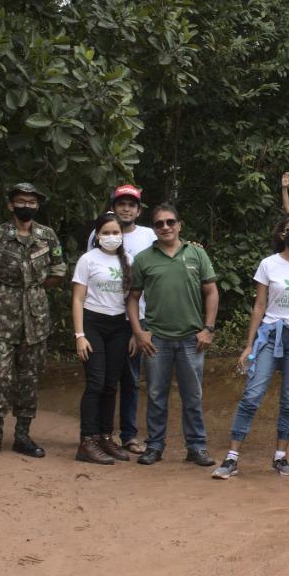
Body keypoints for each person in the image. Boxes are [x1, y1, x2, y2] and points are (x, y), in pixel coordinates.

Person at [212, 214, 289, 478]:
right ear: (280, 234)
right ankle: (231, 458)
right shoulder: (268, 264)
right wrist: (249, 345)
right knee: (252, 395)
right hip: (270, 336)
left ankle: (281, 456)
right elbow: (260, 306)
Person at [0, 182, 66, 458]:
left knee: (29, 377)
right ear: (11, 205)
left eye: (32, 202)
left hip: (35, 316)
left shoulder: (47, 236)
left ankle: (23, 435)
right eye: (21, 201)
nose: (27, 206)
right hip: (1, 315)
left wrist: (34, 289)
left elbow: (58, 271)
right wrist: (4, 291)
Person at [127, 203, 219, 467]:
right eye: (159, 224)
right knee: (156, 395)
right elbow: (132, 299)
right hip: (157, 340)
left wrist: (208, 329)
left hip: (192, 339)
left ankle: (196, 447)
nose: (165, 227)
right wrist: (138, 332)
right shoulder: (144, 259)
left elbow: (211, 292)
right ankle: (155, 446)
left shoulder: (197, 254)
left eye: (170, 222)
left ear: (179, 224)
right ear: (154, 228)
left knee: (193, 396)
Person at [87, 184, 157, 453]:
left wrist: (139, 328)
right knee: (102, 378)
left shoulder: (150, 236)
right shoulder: (99, 233)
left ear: (139, 210)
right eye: (121, 204)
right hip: (104, 317)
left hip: (137, 318)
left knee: (130, 378)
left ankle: (128, 434)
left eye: (131, 204)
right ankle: (98, 434)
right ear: (113, 208)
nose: (126, 208)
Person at [71, 213, 136, 464]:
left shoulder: (129, 260)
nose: (111, 237)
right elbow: (77, 299)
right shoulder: (88, 260)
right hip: (93, 324)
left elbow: (133, 299)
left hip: (119, 326)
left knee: (111, 384)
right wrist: (80, 335)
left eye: (115, 232)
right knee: (96, 383)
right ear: (97, 235)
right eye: (106, 233)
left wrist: (134, 331)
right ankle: (87, 441)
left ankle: (106, 437)